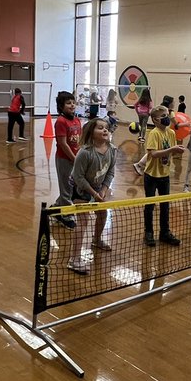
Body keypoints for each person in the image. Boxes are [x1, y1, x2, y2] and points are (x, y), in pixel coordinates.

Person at [66, 118, 117, 275]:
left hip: (98, 187)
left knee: (102, 213)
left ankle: (96, 240)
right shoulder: (85, 153)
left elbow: (110, 172)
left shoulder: (112, 150)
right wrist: (94, 193)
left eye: (106, 128)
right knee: (83, 221)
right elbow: (78, 177)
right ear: (91, 132)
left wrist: (103, 190)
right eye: (100, 128)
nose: (105, 130)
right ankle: (74, 259)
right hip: (80, 188)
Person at [142, 105, 185, 247]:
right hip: (151, 175)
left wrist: (177, 150)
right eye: (163, 116)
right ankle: (148, 233)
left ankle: (164, 233)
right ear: (155, 120)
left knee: (165, 205)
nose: (167, 118)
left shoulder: (171, 133)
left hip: (165, 175)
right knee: (150, 205)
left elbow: (170, 151)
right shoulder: (154, 133)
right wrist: (172, 149)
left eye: (167, 114)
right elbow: (153, 154)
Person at [51, 91, 82, 229]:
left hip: (75, 158)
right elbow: (63, 144)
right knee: (66, 187)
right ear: (61, 106)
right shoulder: (61, 121)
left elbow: (80, 140)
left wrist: (80, 156)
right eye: (68, 103)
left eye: (73, 102)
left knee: (72, 188)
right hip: (64, 159)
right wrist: (74, 158)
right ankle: (66, 216)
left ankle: (56, 208)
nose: (72, 105)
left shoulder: (77, 120)